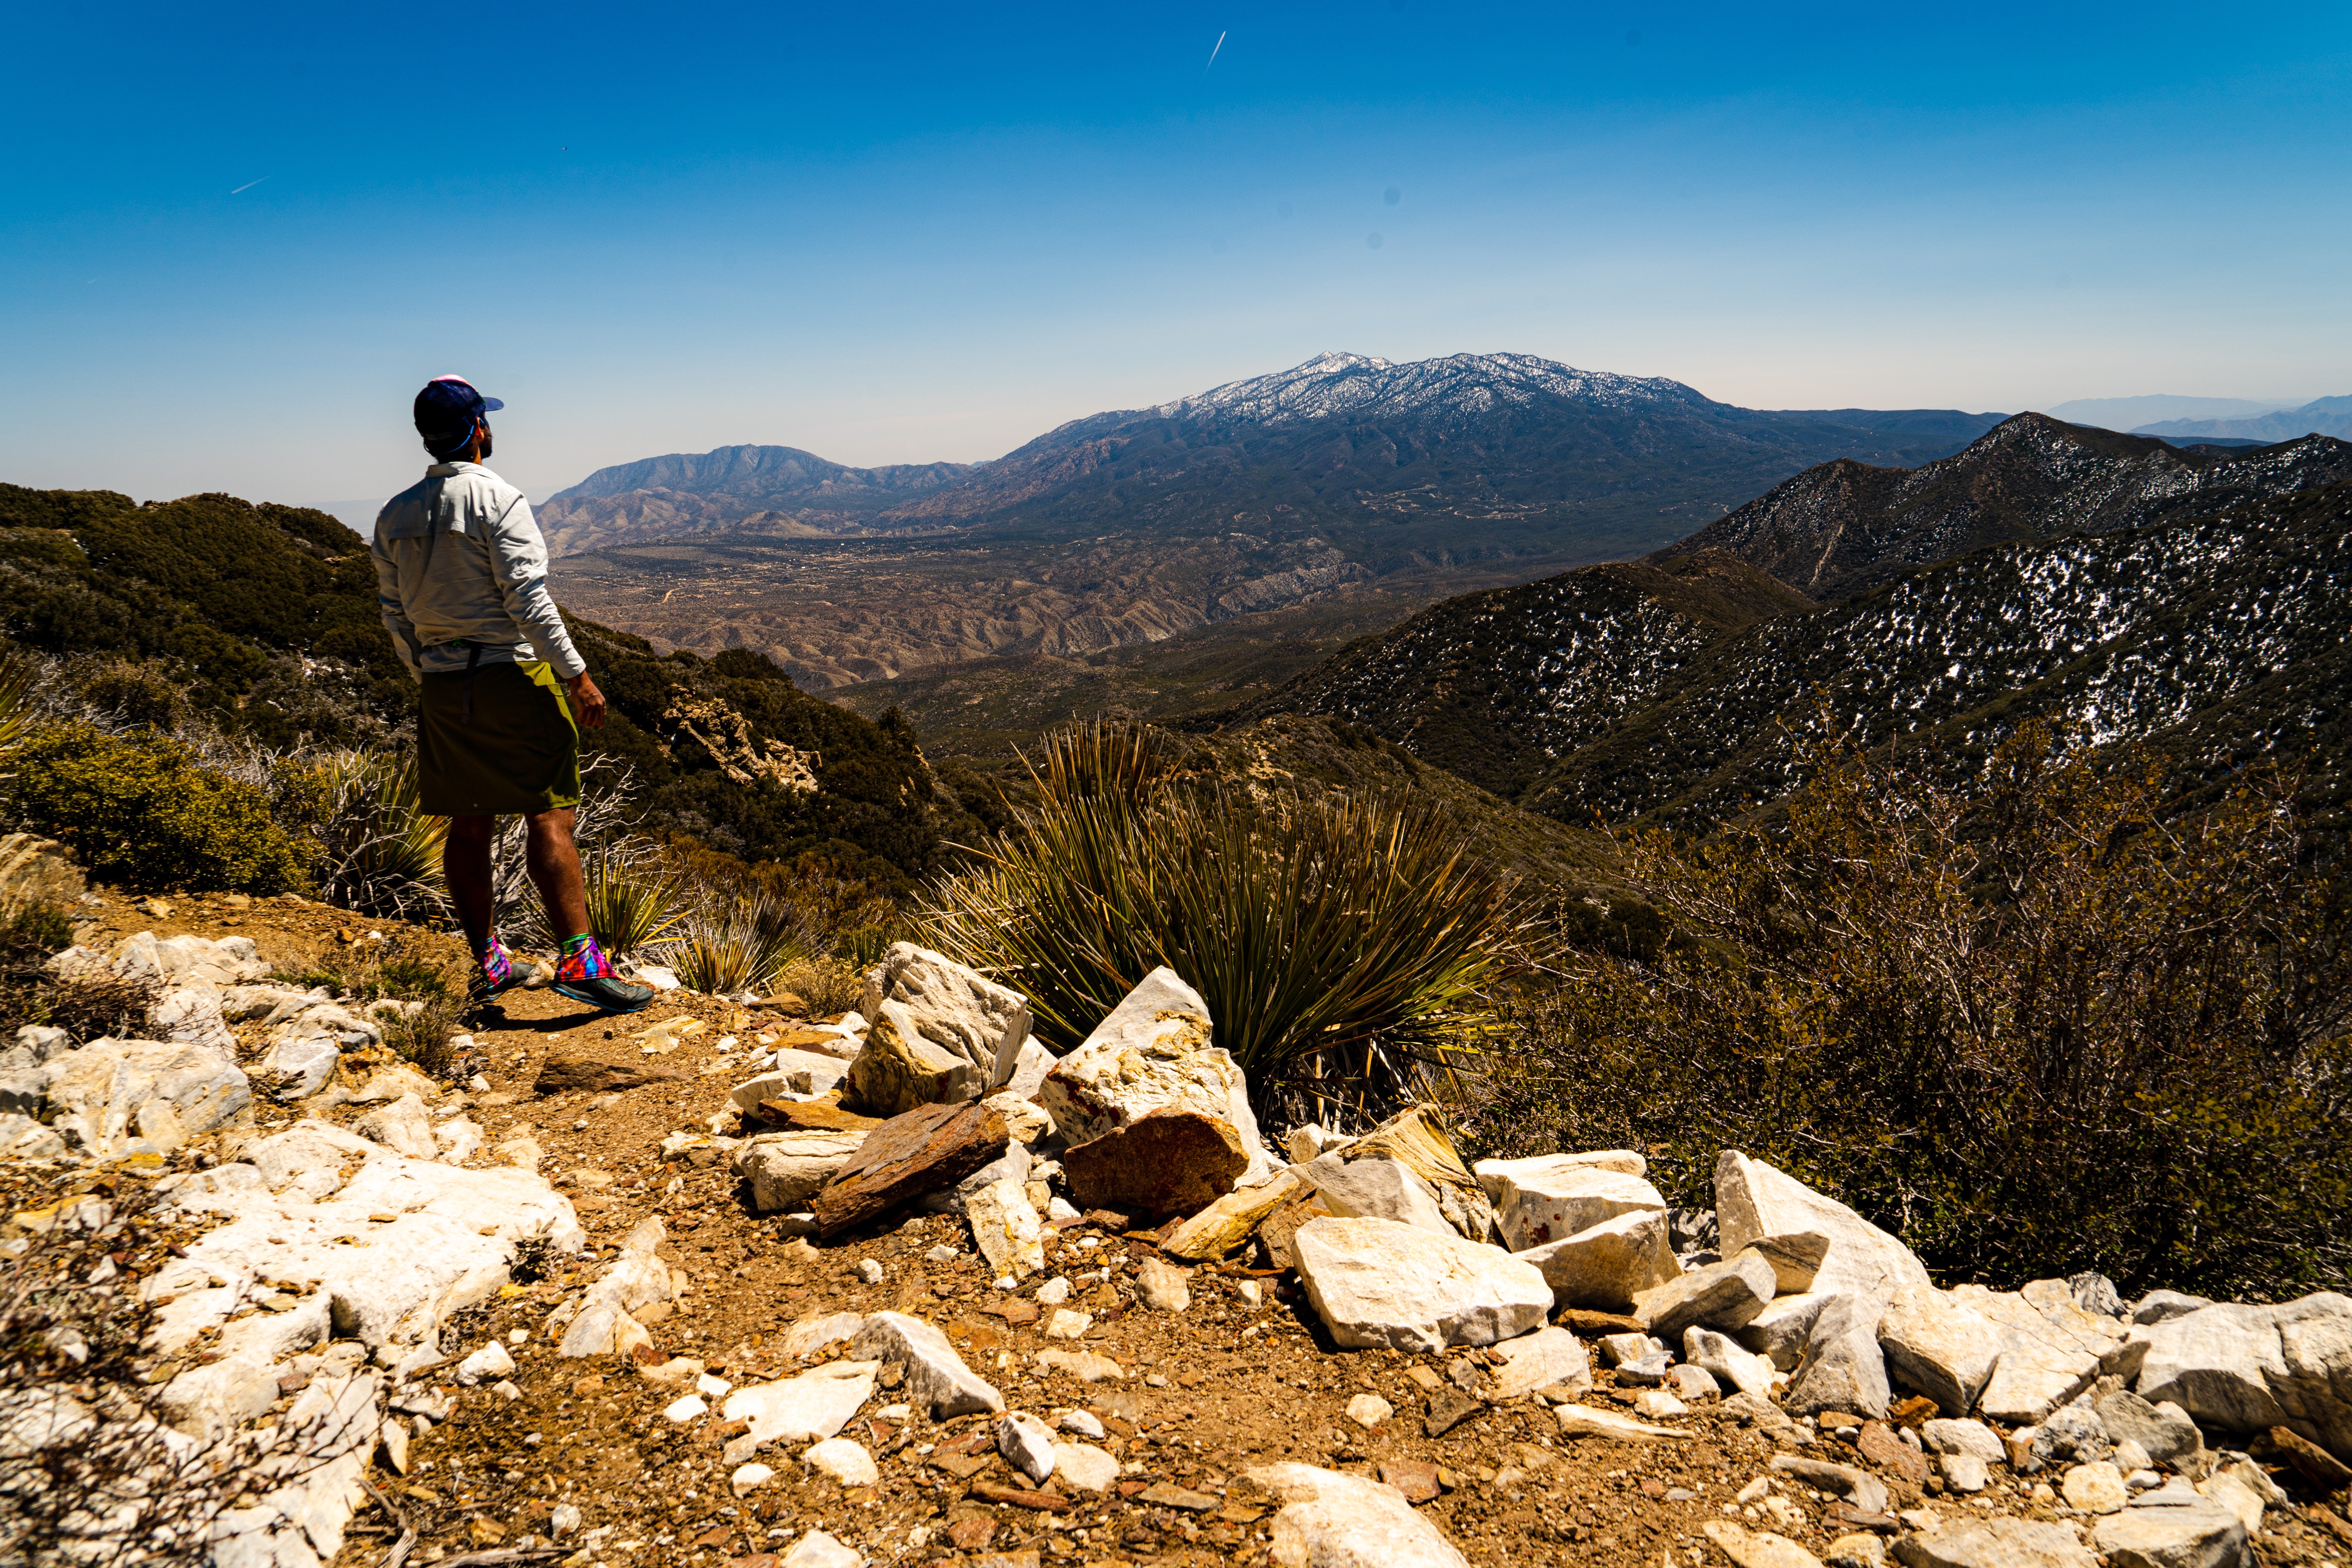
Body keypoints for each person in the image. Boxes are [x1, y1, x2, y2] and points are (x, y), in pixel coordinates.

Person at [371, 375, 652, 1014]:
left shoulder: (395, 514)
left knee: (469, 824)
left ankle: (490, 963)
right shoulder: (498, 500)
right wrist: (577, 676)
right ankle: (581, 962)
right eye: (486, 420)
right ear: (476, 430)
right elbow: (528, 600)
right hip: (512, 677)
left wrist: (429, 677)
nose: (491, 429)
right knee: (550, 814)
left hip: (444, 685)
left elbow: (394, 614)